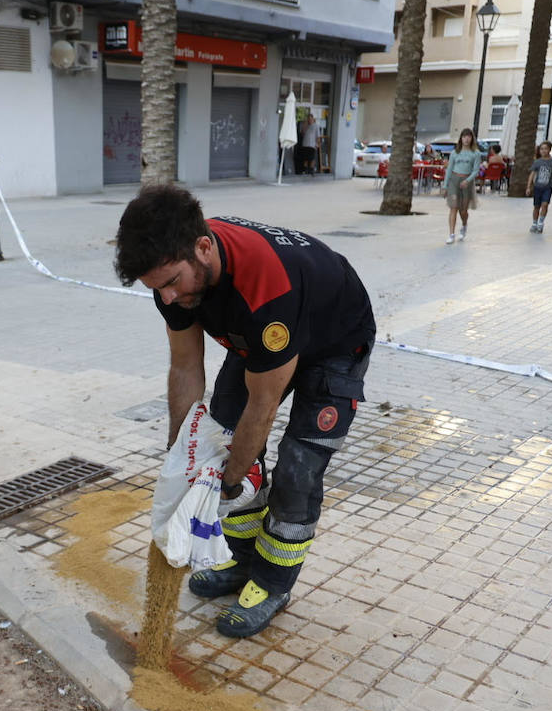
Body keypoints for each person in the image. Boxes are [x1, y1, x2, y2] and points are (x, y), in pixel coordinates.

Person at [114, 185, 376, 639]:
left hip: (332, 342)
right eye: (157, 289)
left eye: (173, 282)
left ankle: (272, 583)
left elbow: (264, 404)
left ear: (203, 248)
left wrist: (230, 483)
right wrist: (186, 456)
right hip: (259, 341)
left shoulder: (264, 288)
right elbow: (185, 367)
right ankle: (239, 561)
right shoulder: (172, 280)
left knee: (296, 469)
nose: (168, 298)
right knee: (218, 443)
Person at [443, 128, 483, 244]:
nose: (466, 139)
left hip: (467, 182)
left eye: (468, 136)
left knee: (463, 210)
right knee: (453, 207)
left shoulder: (476, 154)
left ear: (472, 139)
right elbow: (449, 170)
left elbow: (476, 170)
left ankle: (464, 225)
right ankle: (451, 234)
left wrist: (468, 180)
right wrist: (445, 186)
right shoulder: (455, 153)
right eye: (464, 136)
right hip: (454, 181)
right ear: (461, 138)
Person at [526, 141, 552, 233]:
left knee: (545, 204)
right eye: (541, 149)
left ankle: (540, 223)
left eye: (545, 149)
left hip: (548, 187)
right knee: (536, 206)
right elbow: (532, 174)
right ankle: (534, 223)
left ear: (549, 149)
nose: (543, 151)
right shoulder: (537, 162)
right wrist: (529, 187)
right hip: (537, 187)